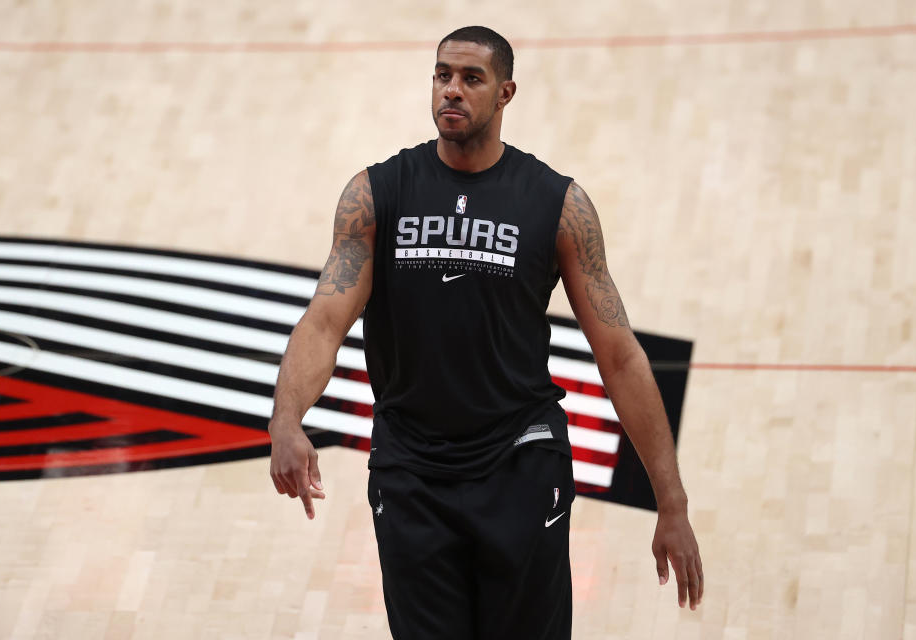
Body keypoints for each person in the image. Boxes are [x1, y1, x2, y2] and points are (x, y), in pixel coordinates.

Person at [268, 25, 703, 640]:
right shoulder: (376, 194)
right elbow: (323, 322)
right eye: (443, 75)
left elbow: (620, 357)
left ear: (505, 93)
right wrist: (286, 419)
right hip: (411, 470)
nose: (452, 90)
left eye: (471, 79)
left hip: (520, 461)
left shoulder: (558, 206)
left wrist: (672, 503)